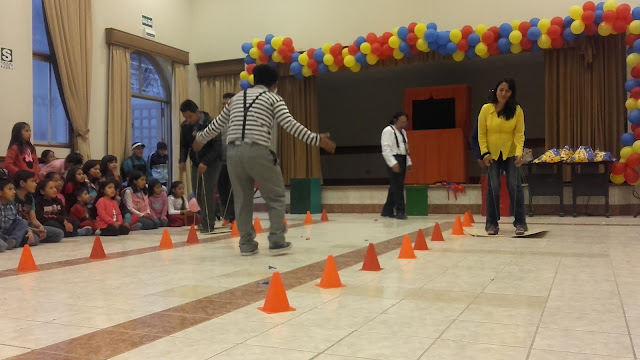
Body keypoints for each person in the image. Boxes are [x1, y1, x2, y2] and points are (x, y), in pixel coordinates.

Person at [193, 64, 336, 256]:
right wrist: (317, 139)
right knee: (275, 196)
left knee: (242, 200)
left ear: (253, 80)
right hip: (258, 151)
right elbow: (290, 125)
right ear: (275, 84)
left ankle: (246, 244)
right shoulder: (273, 98)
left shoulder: (235, 99)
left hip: (233, 154)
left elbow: (217, 125)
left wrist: (200, 139)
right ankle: (277, 241)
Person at [478, 78, 527, 236]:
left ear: (512, 93)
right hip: (491, 154)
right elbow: (481, 133)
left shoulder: (517, 110)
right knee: (493, 187)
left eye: (507, 90)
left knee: (514, 186)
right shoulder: (486, 109)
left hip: (511, 153)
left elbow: (519, 134)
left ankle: (520, 222)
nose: (504, 93)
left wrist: (519, 154)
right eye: (501, 90)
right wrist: (484, 153)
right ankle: (491, 224)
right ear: (496, 90)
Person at [179, 99, 223, 234]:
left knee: (207, 192)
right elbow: (184, 145)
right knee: (197, 193)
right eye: (186, 117)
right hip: (196, 163)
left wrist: (206, 162)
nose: (188, 120)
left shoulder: (211, 123)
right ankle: (205, 217)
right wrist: (182, 160)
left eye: (190, 117)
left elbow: (217, 146)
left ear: (197, 112)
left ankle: (208, 223)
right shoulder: (186, 126)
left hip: (212, 162)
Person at [13, 170, 64, 245]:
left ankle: (29, 237)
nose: (35, 184)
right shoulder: (13, 197)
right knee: (35, 240)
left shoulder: (30, 198)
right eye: (32, 181)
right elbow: (13, 222)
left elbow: (33, 219)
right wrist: (31, 230)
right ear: (22, 183)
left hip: (30, 226)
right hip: (17, 227)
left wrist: (40, 227)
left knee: (59, 234)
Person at [380, 112, 412, 220]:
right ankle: (400, 211)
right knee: (398, 187)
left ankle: (387, 210)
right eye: (401, 122)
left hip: (402, 158)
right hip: (393, 158)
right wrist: (393, 163)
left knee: (395, 186)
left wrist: (408, 162)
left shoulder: (403, 132)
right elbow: (385, 149)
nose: (403, 124)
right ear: (395, 120)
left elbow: (406, 148)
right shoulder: (388, 131)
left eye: (405, 122)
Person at [0, 176, 31, 252]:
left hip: (9, 233)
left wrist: (29, 231)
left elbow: (18, 221)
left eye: (14, 189)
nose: (14, 192)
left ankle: (13, 241)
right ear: (0, 192)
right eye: (10, 189)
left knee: (23, 222)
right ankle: (13, 242)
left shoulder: (11, 207)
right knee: (2, 246)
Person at [218, 92, 236, 223]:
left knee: (234, 191)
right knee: (222, 190)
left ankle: (234, 217)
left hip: (235, 161)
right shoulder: (219, 121)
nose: (225, 107)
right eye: (223, 104)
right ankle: (226, 216)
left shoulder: (240, 121)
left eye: (227, 104)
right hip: (221, 162)